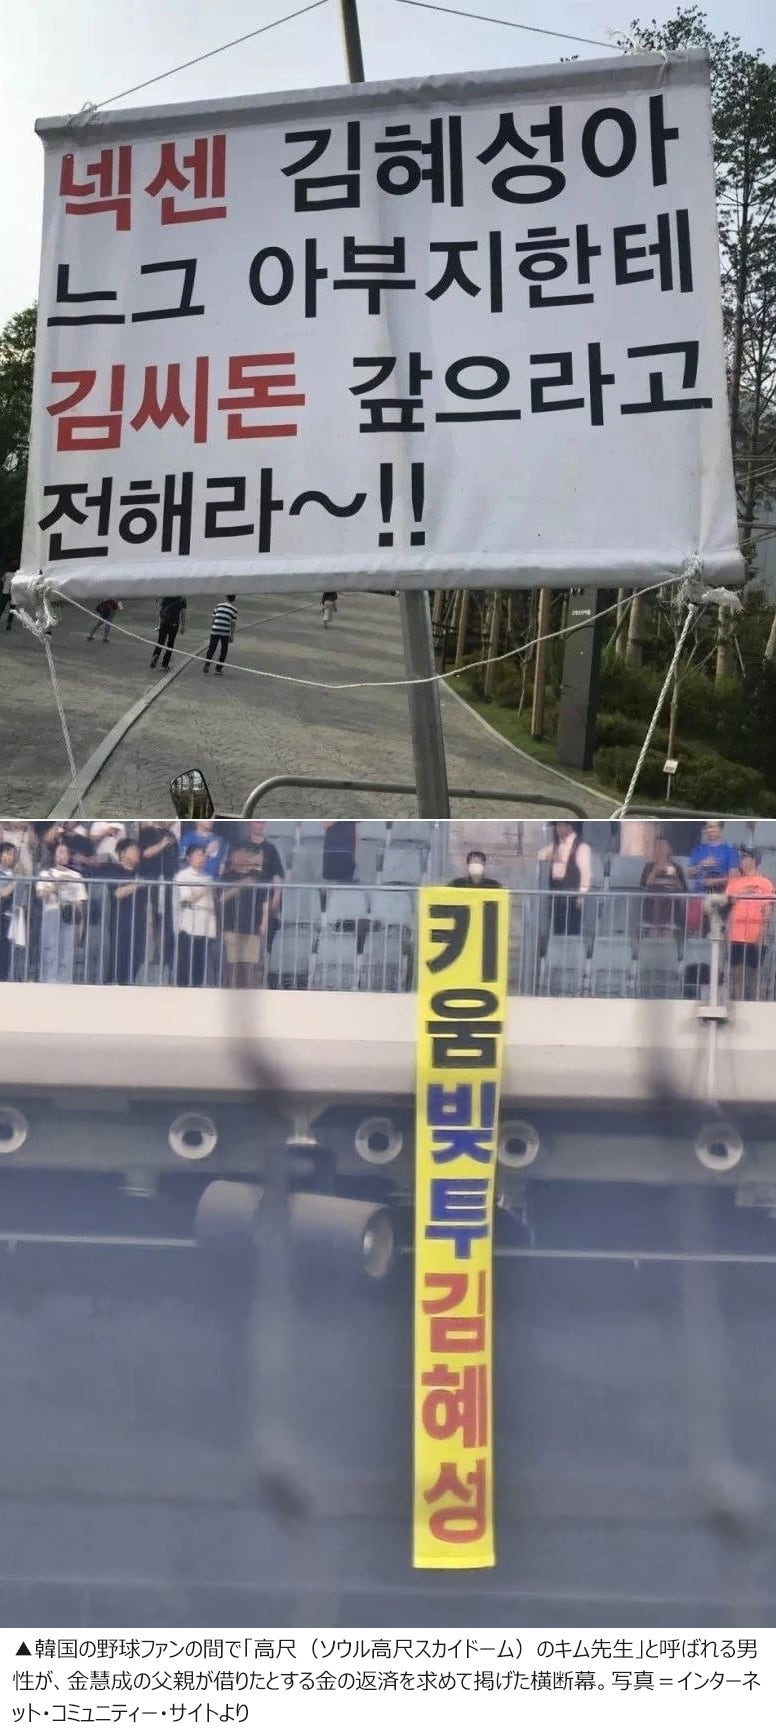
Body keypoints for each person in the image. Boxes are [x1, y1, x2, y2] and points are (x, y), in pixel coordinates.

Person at [724, 847, 775, 1001]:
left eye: (745, 858)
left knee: (753, 975)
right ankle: (737, 1004)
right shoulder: (734, 882)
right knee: (737, 974)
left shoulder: (765, 883)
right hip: (736, 935)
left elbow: (768, 909)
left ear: (753, 860)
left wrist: (763, 932)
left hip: (756, 934)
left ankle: (753, 1005)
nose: (742, 861)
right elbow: (727, 904)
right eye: (741, 858)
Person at [35, 840, 87, 983]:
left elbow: (80, 901)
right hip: (52, 911)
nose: (62, 855)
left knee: (68, 949)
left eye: (65, 852)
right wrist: (54, 886)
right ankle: (49, 979)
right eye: (60, 852)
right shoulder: (46, 873)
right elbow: (40, 893)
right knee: (51, 947)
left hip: (70, 912)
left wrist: (80, 924)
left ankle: (65, 981)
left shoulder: (76, 876)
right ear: (54, 855)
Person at [220, 844, 267, 988]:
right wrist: (241, 885)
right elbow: (221, 898)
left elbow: (265, 903)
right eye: (239, 854)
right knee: (233, 967)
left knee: (251, 967)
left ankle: (251, 993)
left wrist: (263, 923)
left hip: (252, 928)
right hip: (231, 927)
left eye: (245, 853)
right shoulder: (226, 877)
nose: (243, 857)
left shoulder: (257, 877)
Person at [109, 838, 152, 985]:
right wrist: (137, 884)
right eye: (133, 850)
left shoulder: (140, 873)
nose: (137, 853)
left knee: (136, 956)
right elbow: (117, 893)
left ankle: (129, 984)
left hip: (139, 922)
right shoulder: (115, 870)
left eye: (138, 851)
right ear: (122, 853)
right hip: (120, 922)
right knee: (119, 955)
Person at [173, 842, 218, 986]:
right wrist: (204, 887)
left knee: (200, 969)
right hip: (188, 927)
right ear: (189, 857)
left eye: (203, 855)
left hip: (205, 927)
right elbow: (186, 897)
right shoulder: (183, 876)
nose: (201, 858)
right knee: (185, 968)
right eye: (198, 855)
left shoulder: (207, 877)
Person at [538, 821, 593, 936]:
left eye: (561, 825)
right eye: (557, 825)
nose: (558, 829)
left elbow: (586, 874)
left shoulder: (581, 847)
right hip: (556, 894)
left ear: (570, 827)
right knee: (557, 929)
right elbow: (540, 854)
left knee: (571, 930)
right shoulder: (556, 845)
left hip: (572, 895)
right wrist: (549, 856)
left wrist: (581, 896)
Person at [244, 820, 285, 950]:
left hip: (265, 901)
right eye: (257, 822)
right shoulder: (241, 846)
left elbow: (277, 876)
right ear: (250, 824)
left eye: (262, 823)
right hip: (245, 901)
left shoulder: (270, 849)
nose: (260, 825)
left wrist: (276, 900)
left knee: (263, 942)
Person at [639, 836, 687, 938]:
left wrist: (674, 876)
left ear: (669, 849)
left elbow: (682, 888)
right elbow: (645, 885)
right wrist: (655, 871)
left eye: (664, 847)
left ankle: (668, 931)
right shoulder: (649, 866)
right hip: (653, 901)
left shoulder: (676, 867)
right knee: (656, 899)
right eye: (658, 847)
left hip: (671, 901)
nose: (661, 850)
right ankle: (653, 930)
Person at [687, 822, 739, 896]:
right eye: (707, 827)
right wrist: (701, 865)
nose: (709, 830)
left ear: (720, 829)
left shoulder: (729, 851)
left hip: (719, 896)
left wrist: (714, 882)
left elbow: (734, 877)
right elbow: (689, 874)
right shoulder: (697, 850)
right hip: (698, 895)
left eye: (712, 827)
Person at [0, 842, 26, 981]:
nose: (10, 857)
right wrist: (15, 882)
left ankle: (8, 976)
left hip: (11, 916)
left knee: (8, 947)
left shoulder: (14, 874)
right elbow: (3, 892)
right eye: (7, 853)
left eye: (12, 854)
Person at [203, 595, 237, 674]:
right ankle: (218, 669)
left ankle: (207, 664)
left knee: (212, 648)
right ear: (234, 599)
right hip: (225, 632)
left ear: (226, 597)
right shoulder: (234, 609)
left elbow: (213, 619)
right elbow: (233, 624)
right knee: (224, 650)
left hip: (215, 629)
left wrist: (213, 627)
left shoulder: (219, 606)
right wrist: (231, 635)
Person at [150, 597, 186, 670]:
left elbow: (161, 610)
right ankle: (164, 664)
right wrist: (183, 626)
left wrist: (160, 623)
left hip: (164, 622)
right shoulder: (182, 599)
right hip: (174, 623)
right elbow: (182, 613)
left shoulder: (167, 595)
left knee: (160, 641)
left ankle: (156, 654)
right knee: (170, 643)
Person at [322, 820, 357, 884]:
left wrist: (356, 857)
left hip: (348, 853)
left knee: (346, 883)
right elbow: (325, 824)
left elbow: (355, 830)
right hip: (332, 852)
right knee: (331, 883)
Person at [0, 565, 16, 630]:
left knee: (1, 608)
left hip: (5, 592)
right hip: (13, 594)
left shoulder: (7, 574)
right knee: (12, 609)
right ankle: (9, 625)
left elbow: (2, 580)